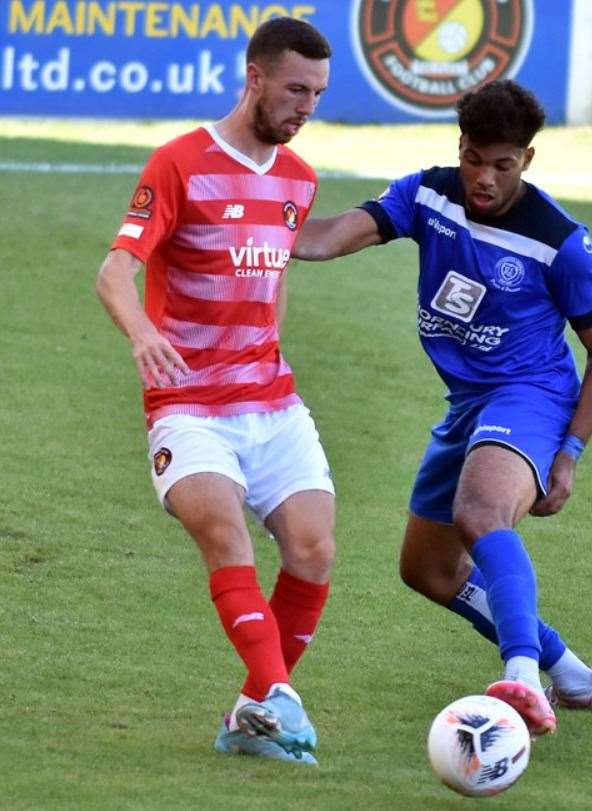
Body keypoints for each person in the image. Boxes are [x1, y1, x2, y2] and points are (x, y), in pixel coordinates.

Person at [293, 79, 592, 737]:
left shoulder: (558, 241)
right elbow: (328, 238)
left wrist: (570, 452)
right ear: (459, 147)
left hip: (531, 394)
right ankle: (570, 671)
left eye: (501, 164)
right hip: (467, 402)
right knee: (427, 570)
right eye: (473, 157)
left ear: (525, 160)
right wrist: (251, 228)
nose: (482, 177)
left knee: (478, 512)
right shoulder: (427, 193)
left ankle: (524, 678)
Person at [96, 17, 335, 764]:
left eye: (318, 94)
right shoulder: (179, 162)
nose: (305, 107)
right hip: (189, 406)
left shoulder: (298, 179)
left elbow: (276, 277)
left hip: (271, 400)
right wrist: (142, 334)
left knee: (313, 548)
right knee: (225, 533)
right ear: (254, 78)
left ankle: (250, 711)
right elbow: (114, 271)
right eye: (295, 89)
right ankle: (281, 695)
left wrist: (270, 347)